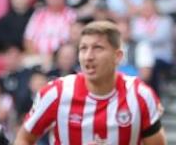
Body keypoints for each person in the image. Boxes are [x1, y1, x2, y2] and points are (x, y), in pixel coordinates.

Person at [16, 20, 166, 145]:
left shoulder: (140, 95)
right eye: (83, 48)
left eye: (97, 48)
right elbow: (23, 139)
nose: (88, 56)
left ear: (118, 56)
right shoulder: (56, 92)